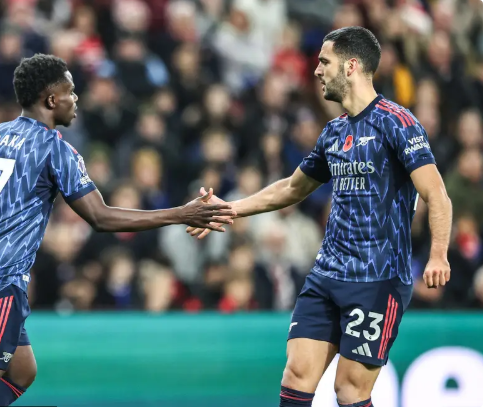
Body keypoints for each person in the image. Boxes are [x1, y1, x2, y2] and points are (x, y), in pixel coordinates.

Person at [0, 54, 236, 407]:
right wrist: (180, 213)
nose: (76, 98)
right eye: (70, 91)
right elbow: (101, 217)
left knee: (21, 371)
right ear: (52, 99)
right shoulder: (55, 149)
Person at [187, 26, 452, 407]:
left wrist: (438, 254)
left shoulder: (398, 122)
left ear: (351, 66)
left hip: (376, 280)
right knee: (296, 375)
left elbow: (436, 194)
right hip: (326, 274)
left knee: (350, 390)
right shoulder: (333, 132)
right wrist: (228, 208)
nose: (316, 71)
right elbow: (291, 189)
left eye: (324, 62)